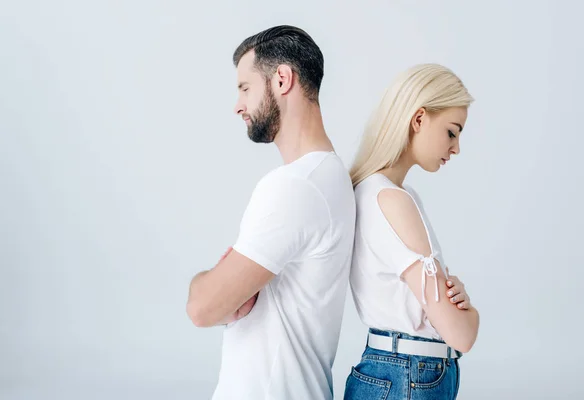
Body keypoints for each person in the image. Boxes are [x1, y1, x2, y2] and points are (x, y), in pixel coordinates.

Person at [185, 25, 356, 400]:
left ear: (281, 79)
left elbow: (201, 307)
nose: (238, 104)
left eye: (245, 88)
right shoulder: (328, 177)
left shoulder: (296, 186)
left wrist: (209, 283)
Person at [344, 63, 480, 400]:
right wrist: (471, 313)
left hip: (397, 373)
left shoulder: (371, 191)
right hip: (409, 375)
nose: (457, 147)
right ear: (418, 119)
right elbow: (461, 335)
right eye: (452, 131)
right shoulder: (392, 200)